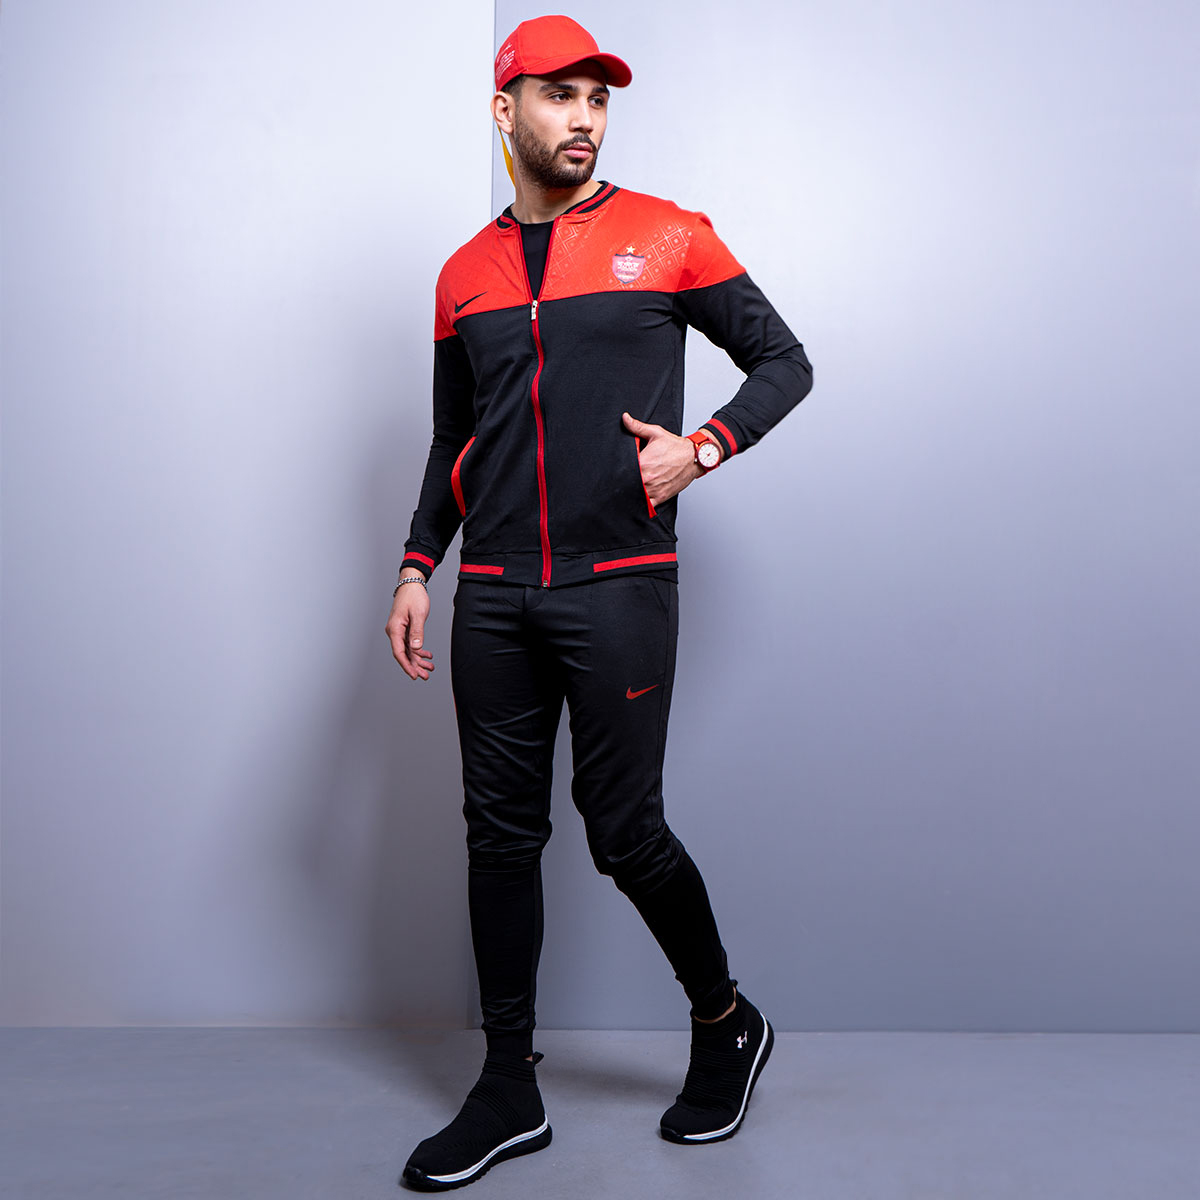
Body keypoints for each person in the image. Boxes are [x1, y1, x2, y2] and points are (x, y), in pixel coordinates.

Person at [386, 14, 813, 1191]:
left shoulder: (668, 235)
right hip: (493, 591)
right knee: (498, 835)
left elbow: (784, 361)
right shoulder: (462, 274)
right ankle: (507, 1086)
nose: (584, 118)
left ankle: (726, 1020)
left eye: (598, 98)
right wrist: (418, 565)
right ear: (505, 109)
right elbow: (454, 435)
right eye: (559, 95)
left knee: (623, 831)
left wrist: (704, 447)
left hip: (618, 585)